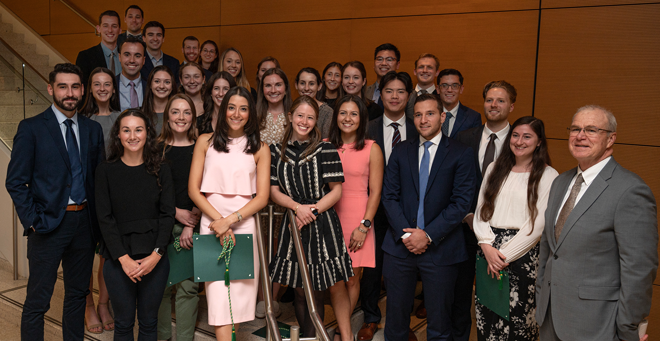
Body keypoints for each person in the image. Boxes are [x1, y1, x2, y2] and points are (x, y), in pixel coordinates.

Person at [536, 105, 657, 341]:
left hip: (598, 325)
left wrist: (627, 328)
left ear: (611, 139)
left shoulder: (630, 190)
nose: (580, 136)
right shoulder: (561, 182)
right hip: (550, 319)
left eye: (591, 130)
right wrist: (542, 297)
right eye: (575, 129)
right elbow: (548, 249)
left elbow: (639, 270)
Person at [6, 63, 105, 341]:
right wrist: (33, 221)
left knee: (77, 296)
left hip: (83, 225)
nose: (69, 93)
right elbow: (15, 181)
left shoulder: (92, 130)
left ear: (83, 90)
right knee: (38, 301)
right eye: (63, 86)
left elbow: (98, 181)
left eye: (75, 87)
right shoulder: (32, 128)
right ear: (51, 89)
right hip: (47, 225)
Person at [381, 93, 475, 341]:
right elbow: (389, 196)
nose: (424, 120)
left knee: (440, 324)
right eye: (419, 114)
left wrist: (428, 235)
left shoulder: (461, 153)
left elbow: (461, 203)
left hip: (441, 249)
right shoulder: (401, 151)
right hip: (400, 247)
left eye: (430, 113)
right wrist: (407, 235)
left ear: (442, 117)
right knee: (395, 322)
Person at [188, 86, 270, 340]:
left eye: (243, 108)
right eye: (232, 107)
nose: (237, 114)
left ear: (251, 113)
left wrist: (230, 221)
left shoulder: (260, 148)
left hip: (243, 225)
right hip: (211, 224)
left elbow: (263, 197)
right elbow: (193, 190)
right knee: (218, 299)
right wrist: (218, 221)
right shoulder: (205, 141)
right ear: (223, 110)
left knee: (239, 296)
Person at [269, 95, 354, 340]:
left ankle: (315, 335)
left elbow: (336, 190)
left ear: (316, 121)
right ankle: (307, 336)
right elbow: (274, 191)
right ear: (290, 117)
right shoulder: (276, 151)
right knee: (297, 288)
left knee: (317, 287)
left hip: (321, 223)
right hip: (293, 223)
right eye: (300, 115)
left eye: (310, 117)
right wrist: (298, 208)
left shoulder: (325, 149)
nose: (304, 121)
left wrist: (312, 210)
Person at [473, 116, 558, 340]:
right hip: (487, 249)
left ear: (539, 142)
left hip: (521, 257)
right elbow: (481, 210)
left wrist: (501, 257)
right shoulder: (494, 167)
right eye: (516, 135)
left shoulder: (549, 175)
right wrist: (486, 245)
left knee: (518, 323)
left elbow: (537, 225)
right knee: (487, 319)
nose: (519, 141)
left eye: (527, 136)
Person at [95, 109, 175, 340]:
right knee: (123, 323)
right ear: (118, 135)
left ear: (147, 133)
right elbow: (104, 218)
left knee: (149, 323)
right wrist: (123, 259)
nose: (132, 136)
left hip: (155, 258)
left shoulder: (162, 169)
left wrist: (156, 256)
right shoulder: (105, 171)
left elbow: (167, 215)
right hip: (118, 259)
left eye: (138, 129)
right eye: (126, 130)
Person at [453, 80, 515, 341]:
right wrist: (466, 215)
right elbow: (453, 181)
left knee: (498, 300)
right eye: (490, 99)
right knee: (460, 296)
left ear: (511, 106)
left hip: (504, 238)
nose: (494, 105)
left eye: (501, 100)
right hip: (465, 231)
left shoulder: (521, 140)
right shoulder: (465, 137)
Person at [360, 71, 417, 341]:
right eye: (388, 91)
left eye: (400, 92)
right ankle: (371, 317)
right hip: (372, 209)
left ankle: (401, 323)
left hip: (407, 211)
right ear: (379, 95)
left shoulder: (419, 127)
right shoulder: (367, 127)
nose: (394, 97)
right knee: (372, 269)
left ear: (409, 96)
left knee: (402, 272)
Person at [328, 95, 384, 341]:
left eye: (353, 114)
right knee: (334, 279)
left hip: (358, 218)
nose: (347, 118)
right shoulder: (325, 145)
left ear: (362, 120)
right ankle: (343, 326)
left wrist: (365, 225)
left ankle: (343, 329)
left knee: (352, 279)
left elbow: (376, 192)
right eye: (343, 113)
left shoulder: (372, 148)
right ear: (336, 117)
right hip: (330, 218)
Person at [155, 94, 201, 341]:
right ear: (167, 116)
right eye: (175, 112)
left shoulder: (201, 148)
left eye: (186, 112)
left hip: (192, 227)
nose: (181, 117)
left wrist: (189, 224)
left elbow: (206, 188)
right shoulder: (155, 148)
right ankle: (162, 337)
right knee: (160, 287)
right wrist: (174, 213)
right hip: (161, 225)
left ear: (193, 117)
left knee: (188, 288)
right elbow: (149, 190)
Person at [80, 66, 120, 334]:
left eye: (107, 84)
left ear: (113, 89)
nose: (103, 88)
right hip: (87, 195)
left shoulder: (121, 118)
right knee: (83, 256)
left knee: (109, 255)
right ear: (90, 89)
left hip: (115, 197)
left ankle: (104, 303)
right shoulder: (81, 120)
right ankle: (88, 306)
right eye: (98, 84)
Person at [76, 10, 122, 94]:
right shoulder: (85, 56)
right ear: (98, 29)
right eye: (105, 26)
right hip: (96, 106)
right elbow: (83, 90)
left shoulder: (127, 56)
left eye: (114, 26)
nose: (110, 30)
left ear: (120, 30)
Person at [295, 67, 333, 138]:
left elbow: (327, 143)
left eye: (311, 84)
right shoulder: (292, 108)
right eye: (302, 83)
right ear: (296, 85)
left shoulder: (327, 113)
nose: (306, 88)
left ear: (319, 86)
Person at [257, 68, 292, 146]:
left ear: (286, 89)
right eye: (268, 85)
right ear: (262, 90)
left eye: (278, 85)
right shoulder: (254, 116)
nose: (273, 90)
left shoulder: (295, 115)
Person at [142, 65, 177, 134]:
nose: (161, 86)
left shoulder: (179, 114)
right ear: (150, 85)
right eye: (157, 81)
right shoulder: (140, 114)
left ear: (172, 86)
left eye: (167, 82)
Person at [365, 43, 400, 108]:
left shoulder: (408, 94)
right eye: (379, 59)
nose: (384, 63)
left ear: (397, 64)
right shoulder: (364, 92)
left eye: (389, 59)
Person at [117, 35, 147, 112]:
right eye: (127, 55)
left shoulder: (150, 86)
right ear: (119, 57)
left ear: (143, 60)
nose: (132, 60)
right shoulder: (110, 85)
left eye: (137, 56)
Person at [405, 53, 439, 119]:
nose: (425, 71)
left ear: (437, 72)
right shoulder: (406, 96)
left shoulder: (442, 98)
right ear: (415, 71)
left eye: (429, 67)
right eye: (421, 67)